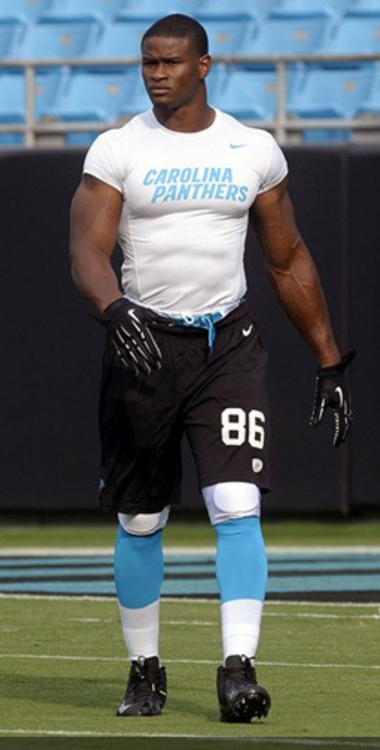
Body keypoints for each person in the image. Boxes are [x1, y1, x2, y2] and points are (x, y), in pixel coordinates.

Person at [69, 14, 354, 723]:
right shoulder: (117, 149)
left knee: (237, 504)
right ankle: (145, 669)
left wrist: (327, 361)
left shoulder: (250, 149)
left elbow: (286, 260)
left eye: (170, 62)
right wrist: (113, 310)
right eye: (147, 63)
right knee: (140, 518)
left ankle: (238, 669)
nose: (156, 73)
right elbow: (86, 249)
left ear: (204, 65)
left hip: (228, 343)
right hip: (144, 344)